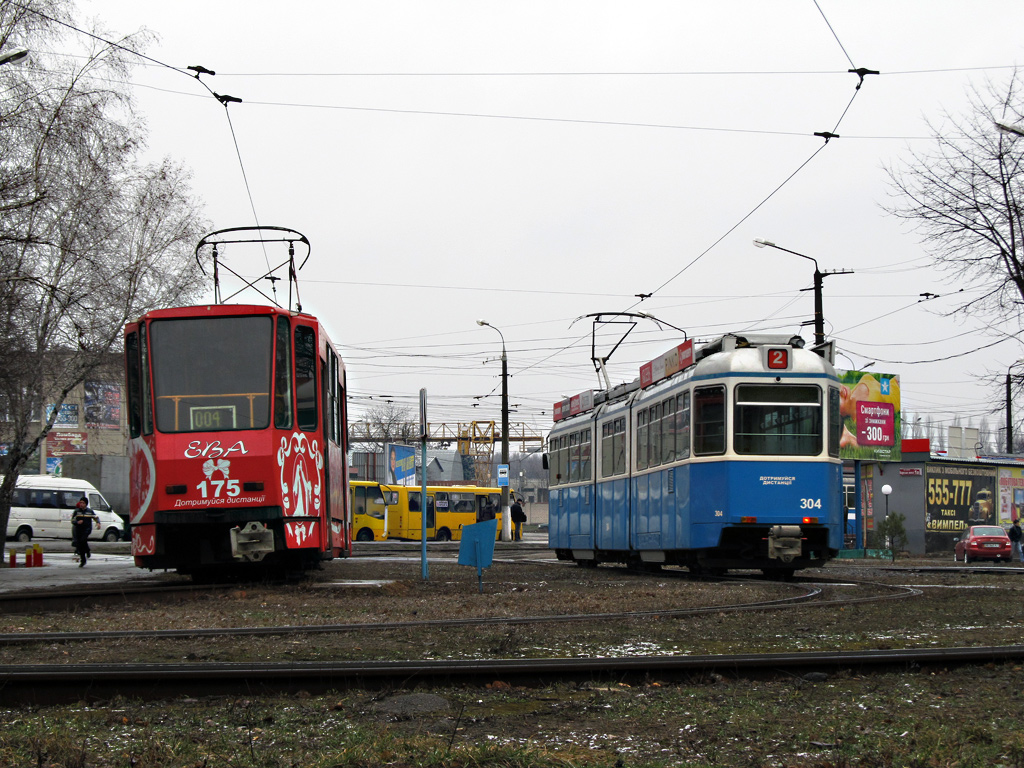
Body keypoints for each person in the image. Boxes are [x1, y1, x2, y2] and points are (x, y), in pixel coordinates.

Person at [71, 497, 99, 567]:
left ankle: (86, 552)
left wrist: (98, 523)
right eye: (80, 502)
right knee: (80, 544)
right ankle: (83, 559)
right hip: (79, 529)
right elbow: (72, 520)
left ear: (86, 504)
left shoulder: (89, 511)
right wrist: (77, 522)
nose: (81, 504)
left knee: (83, 540)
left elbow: (96, 517)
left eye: (83, 503)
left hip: (86, 529)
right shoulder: (77, 511)